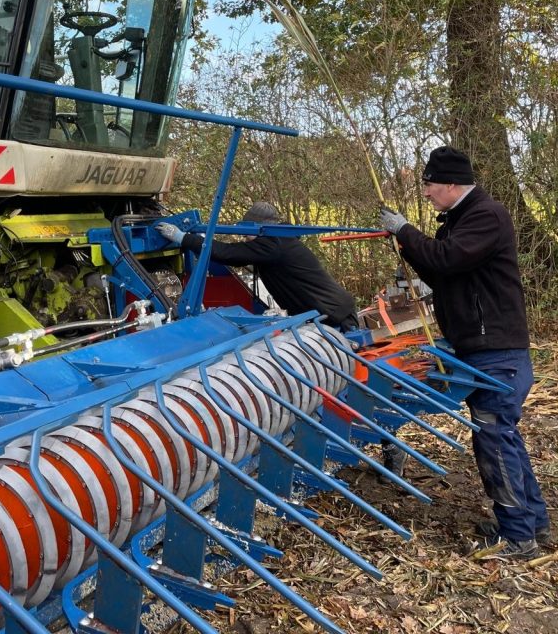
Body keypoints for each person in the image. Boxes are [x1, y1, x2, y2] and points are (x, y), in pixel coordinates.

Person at [380, 145, 551, 558]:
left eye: (430, 185)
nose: (426, 193)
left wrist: (405, 230)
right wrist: (406, 246)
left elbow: (449, 258)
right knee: (502, 436)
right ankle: (532, 523)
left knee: (495, 440)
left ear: (453, 184)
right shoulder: (459, 221)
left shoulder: (486, 215)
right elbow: (441, 271)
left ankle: (518, 538)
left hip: (497, 350)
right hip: (482, 346)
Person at [156, 201, 359, 330]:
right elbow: (232, 253)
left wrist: (184, 238)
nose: (244, 237)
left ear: (260, 228)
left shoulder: (272, 244)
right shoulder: (281, 240)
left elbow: (228, 254)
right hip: (331, 310)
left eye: (247, 232)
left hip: (332, 315)